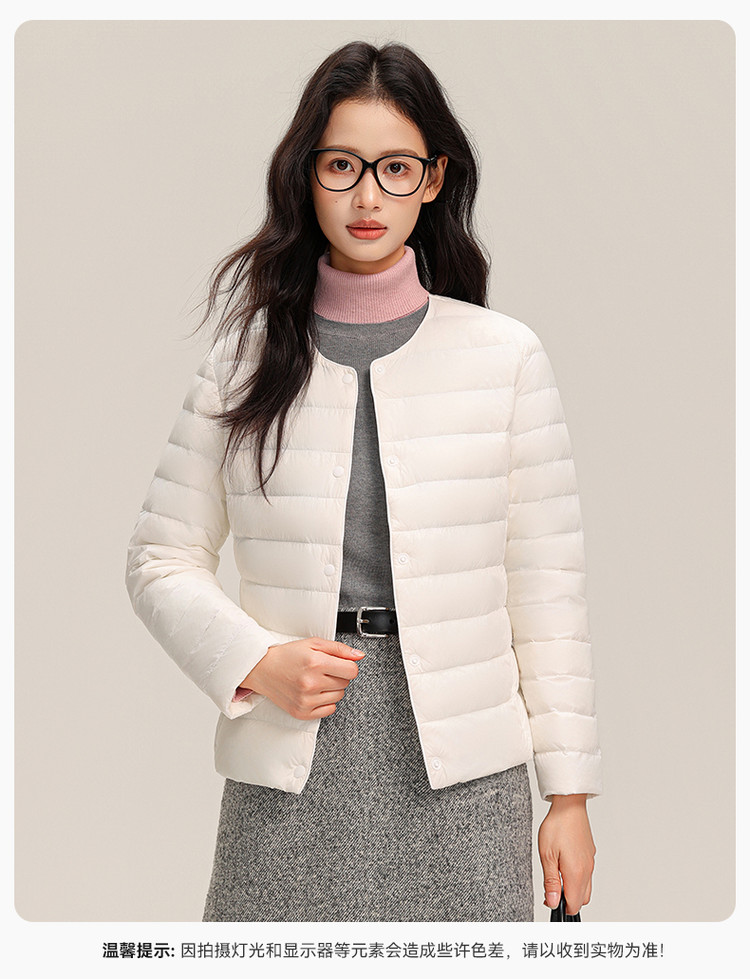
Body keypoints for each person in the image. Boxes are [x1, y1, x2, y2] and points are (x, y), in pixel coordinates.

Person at [126, 40, 602, 923]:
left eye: (396, 168)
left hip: (465, 772)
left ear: (434, 178)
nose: (368, 196)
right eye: (342, 165)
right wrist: (256, 659)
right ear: (307, 175)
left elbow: (546, 591)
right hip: (289, 754)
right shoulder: (244, 360)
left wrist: (568, 795)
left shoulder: (505, 359)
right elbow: (159, 556)